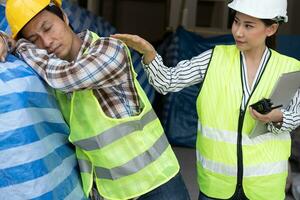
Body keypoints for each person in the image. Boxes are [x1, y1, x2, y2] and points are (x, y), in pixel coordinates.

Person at [0, 0, 191, 200]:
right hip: (108, 191)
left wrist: (21, 46)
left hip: (155, 183)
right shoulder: (47, 68)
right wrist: (5, 40)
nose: (46, 42)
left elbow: (66, 77)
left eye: (48, 28)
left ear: (64, 17)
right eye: (34, 39)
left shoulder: (110, 49)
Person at [112, 0, 300, 199]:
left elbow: (296, 115)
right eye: (236, 22)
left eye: (248, 26)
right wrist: (149, 53)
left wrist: (277, 117)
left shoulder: (290, 67)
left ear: (271, 29)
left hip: (265, 188)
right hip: (216, 186)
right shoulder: (213, 58)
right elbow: (166, 82)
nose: (238, 32)